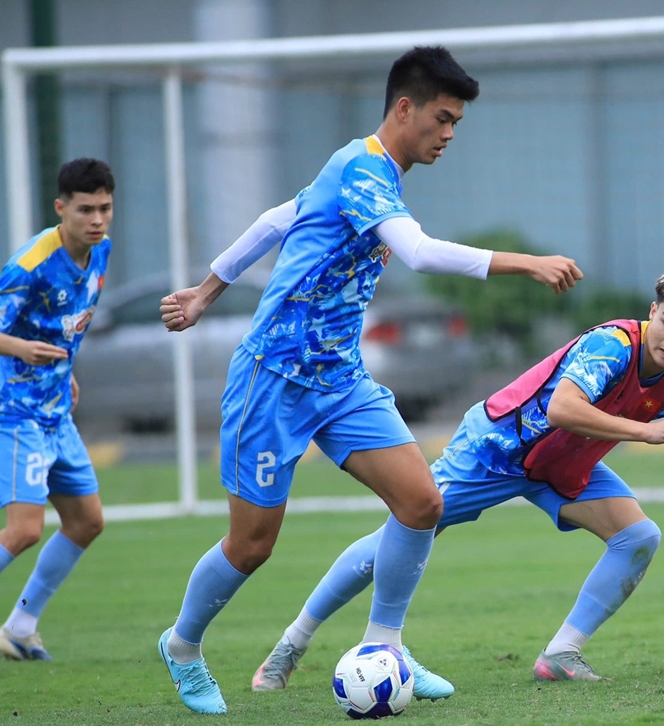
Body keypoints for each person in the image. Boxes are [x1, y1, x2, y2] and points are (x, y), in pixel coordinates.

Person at [156, 45, 583, 715]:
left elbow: (279, 217)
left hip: (341, 382)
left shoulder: (365, 171)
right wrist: (526, 262)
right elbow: (419, 253)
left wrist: (208, 291)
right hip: (273, 380)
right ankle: (182, 645)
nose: (449, 134)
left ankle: (387, 646)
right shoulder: (363, 169)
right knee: (252, 545)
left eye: (457, 123)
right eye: (443, 119)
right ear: (404, 108)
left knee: (421, 502)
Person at [249, 264, 664, 695]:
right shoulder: (613, 346)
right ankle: (291, 646)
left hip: (561, 467)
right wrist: (646, 431)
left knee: (639, 536)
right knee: (402, 532)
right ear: (652, 311)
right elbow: (564, 409)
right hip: (495, 452)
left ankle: (561, 654)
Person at [0, 158, 115, 662]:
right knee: (25, 528)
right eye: (86, 209)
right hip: (14, 410)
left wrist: (65, 371)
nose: (97, 219)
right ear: (60, 208)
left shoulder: (100, 250)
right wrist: (20, 349)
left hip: (55, 410)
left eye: (105, 208)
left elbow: (66, 321)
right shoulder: (30, 266)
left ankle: (20, 628)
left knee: (86, 521)